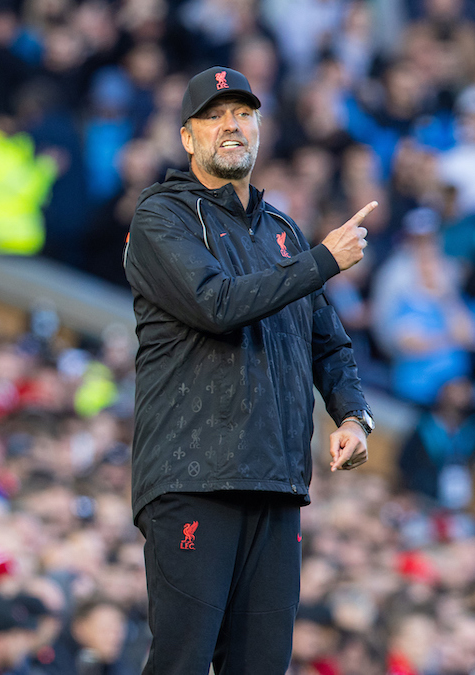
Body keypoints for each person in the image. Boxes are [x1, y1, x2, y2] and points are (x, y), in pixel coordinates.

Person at [122, 66, 377, 675]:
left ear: (260, 130)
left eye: (243, 114)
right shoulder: (163, 217)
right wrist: (322, 261)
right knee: (182, 661)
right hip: (193, 475)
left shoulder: (282, 231)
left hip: (277, 479)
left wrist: (350, 415)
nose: (231, 125)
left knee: (262, 666)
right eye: (214, 115)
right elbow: (216, 305)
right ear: (187, 138)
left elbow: (330, 344)